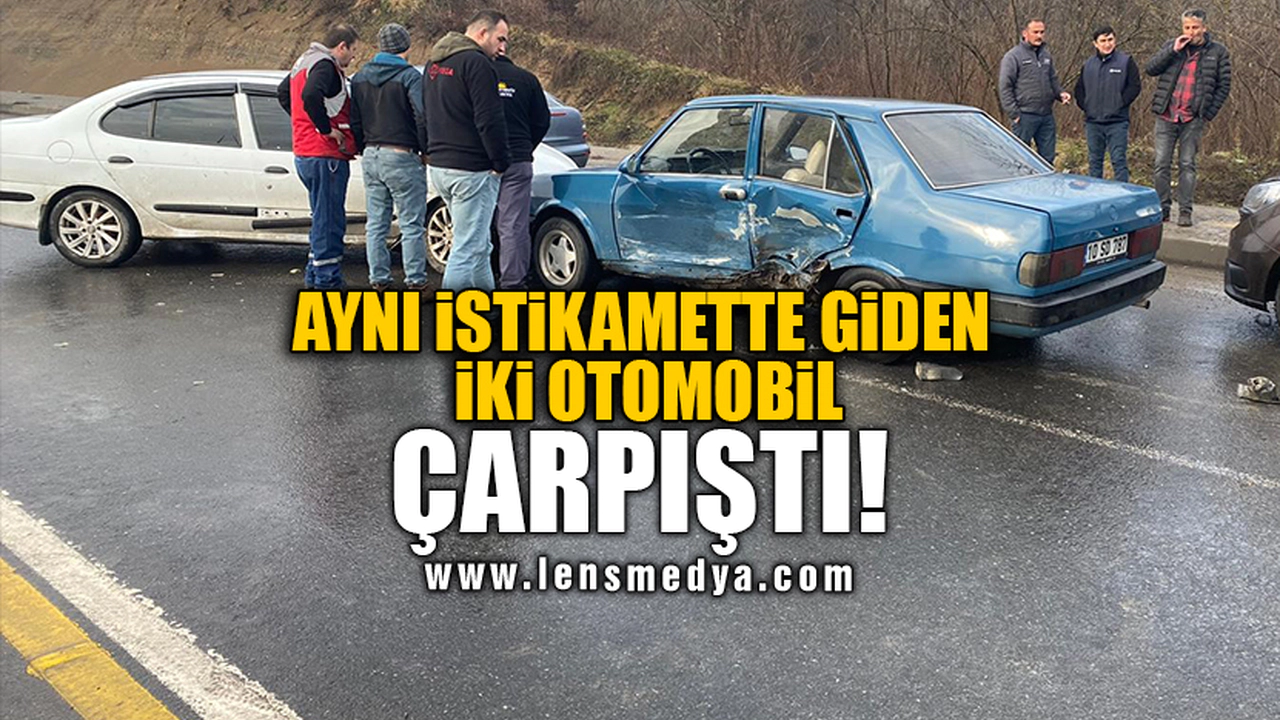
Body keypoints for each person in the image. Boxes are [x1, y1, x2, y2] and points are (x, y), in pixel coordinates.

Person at [420, 9, 511, 291]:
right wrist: (500, 161)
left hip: (441, 167)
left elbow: (423, 114)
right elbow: (490, 119)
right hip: (471, 170)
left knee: (479, 245)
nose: (503, 48)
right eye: (500, 39)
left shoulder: (433, 64)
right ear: (482, 33)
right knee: (466, 248)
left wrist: (427, 150)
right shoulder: (477, 64)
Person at [277, 24, 359, 290]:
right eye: (353, 50)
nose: (354, 57)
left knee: (321, 215)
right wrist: (325, 128)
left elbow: (283, 93)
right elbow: (311, 94)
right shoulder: (325, 66)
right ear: (341, 46)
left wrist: (303, 122)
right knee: (329, 219)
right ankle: (327, 280)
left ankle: (315, 273)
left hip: (305, 152)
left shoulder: (304, 61)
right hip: (325, 154)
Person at [350, 23, 429, 291]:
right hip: (402, 154)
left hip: (371, 154)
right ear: (406, 46)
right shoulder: (410, 77)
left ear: (380, 47)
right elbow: (421, 115)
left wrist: (361, 147)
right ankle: (415, 281)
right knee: (411, 224)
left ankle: (379, 279)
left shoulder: (359, 77)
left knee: (376, 224)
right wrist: (425, 149)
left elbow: (355, 118)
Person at [1145, 8, 1231, 226]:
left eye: (1195, 27)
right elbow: (1151, 69)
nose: (1191, 32)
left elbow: (1224, 86)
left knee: (1187, 164)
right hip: (1167, 114)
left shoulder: (1218, 52)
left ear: (1204, 28)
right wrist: (1173, 50)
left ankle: (1185, 211)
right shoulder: (1172, 46)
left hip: (1192, 118)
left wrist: (1207, 113)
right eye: (1187, 27)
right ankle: (1162, 209)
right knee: (1161, 164)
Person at [493, 44, 551, 289]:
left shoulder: (475, 77)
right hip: (517, 160)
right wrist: (526, 145)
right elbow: (542, 121)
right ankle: (513, 281)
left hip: (482, 162)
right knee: (513, 224)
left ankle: (483, 277)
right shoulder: (527, 79)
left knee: (477, 223)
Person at [1073, 26, 1141, 182]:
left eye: (1110, 40)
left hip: (1117, 122)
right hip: (1093, 122)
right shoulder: (1088, 64)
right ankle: (1095, 195)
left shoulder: (1126, 61)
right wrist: (1087, 106)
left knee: (1119, 161)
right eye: (1103, 41)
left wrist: (1120, 102)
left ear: (1115, 40)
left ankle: (1122, 194)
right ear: (1095, 44)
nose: (1107, 44)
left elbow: (1134, 86)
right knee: (1094, 162)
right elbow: (1079, 89)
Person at [998, 19, 1071, 164]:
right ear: (1025, 33)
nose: (1039, 36)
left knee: (1047, 160)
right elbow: (1005, 86)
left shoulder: (1046, 56)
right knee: (1021, 160)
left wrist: (1060, 94)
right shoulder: (1013, 56)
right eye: (1035, 32)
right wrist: (1014, 114)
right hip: (1024, 116)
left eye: (1042, 32)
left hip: (1046, 116)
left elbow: (1052, 80)